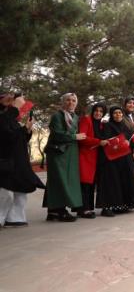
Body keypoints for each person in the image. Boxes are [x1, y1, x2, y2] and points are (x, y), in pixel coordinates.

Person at [0, 92, 45, 227]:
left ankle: (14, 218)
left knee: (21, 190)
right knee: (5, 193)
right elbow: (4, 135)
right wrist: (14, 108)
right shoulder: (4, 118)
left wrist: (27, 129)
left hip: (17, 163)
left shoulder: (11, 120)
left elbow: (17, 138)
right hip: (5, 162)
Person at [43, 93, 86, 222]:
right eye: (68, 100)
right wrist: (74, 137)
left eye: (73, 100)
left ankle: (53, 211)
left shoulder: (76, 117)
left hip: (70, 153)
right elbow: (57, 135)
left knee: (61, 181)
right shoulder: (57, 116)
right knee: (59, 180)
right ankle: (60, 210)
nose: (71, 102)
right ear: (63, 102)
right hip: (58, 153)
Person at [96, 106, 134, 216]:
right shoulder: (107, 125)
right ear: (111, 114)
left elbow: (132, 140)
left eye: (120, 113)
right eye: (115, 113)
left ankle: (122, 205)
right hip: (112, 159)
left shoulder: (125, 127)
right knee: (112, 182)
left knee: (125, 180)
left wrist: (130, 145)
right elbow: (105, 139)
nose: (118, 115)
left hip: (125, 158)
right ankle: (107, 207)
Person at [76, 103, 107, 218]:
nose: (98, 113)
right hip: (86, 156)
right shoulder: (86, 120)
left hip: (95, 158)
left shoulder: (101, 125)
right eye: (96, 110)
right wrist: (98, 142)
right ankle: (82, 209)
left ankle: (88, 208)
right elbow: (82, 137)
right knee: (85, 184)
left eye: (101, 111)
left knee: (91, 184)